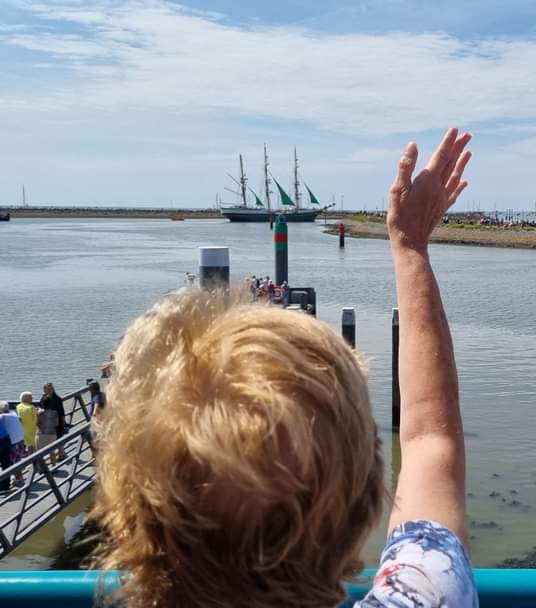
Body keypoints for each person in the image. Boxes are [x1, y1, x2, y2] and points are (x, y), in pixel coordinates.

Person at [91, 128, 476, 608]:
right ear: (364, 515)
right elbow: (429, 439)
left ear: (121, 524)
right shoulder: (426, 596)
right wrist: (410, 245)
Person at [0, 401, 26, 488]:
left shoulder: (2, 417)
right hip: (20, 439)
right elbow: (20, 419)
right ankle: (19, 477)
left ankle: (19, 479)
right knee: (17, 459)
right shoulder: (13, 413)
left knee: (13, 461)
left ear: (0, 410)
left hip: (12, 442)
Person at [40, 382, 66, 457]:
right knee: (51, 439)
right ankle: (58, 454)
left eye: (51, 389)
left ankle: (61, 454)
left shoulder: (57, 399)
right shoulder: (43, 397)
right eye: (47, 389)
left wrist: (63, 422)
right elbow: (41, 408)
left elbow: (62, 412)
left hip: (57, 421)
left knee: (59, 437)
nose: (49, 390)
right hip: (47, 422)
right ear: (44, 390)